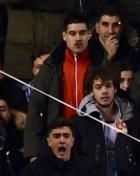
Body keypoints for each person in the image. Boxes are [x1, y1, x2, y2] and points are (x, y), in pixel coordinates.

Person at [22, 14, 102, 159]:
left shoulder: (101, 63)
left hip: (92, 138)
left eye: (82, 33)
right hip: (59, 137)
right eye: (72, 33)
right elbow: (36, 108)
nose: (78, 38)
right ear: (64, 36)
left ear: (89, 35)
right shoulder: (51, 67)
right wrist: (32, 152)